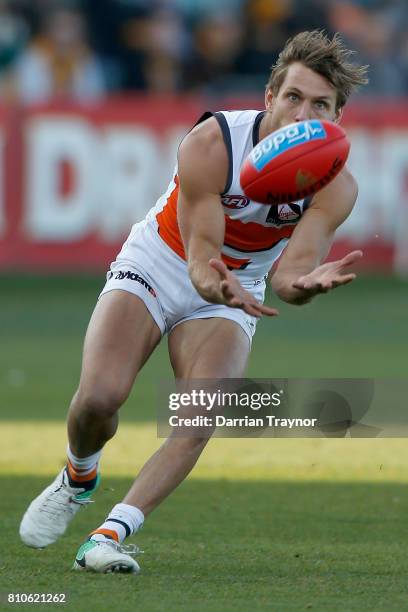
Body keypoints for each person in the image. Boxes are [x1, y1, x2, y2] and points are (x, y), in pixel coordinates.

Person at [19, 30, 368, 574]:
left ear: (336, 119)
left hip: (238, 289)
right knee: (99, 399)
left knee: (199, 415)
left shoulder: (335, 188)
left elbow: (289, 275)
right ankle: (79, 475)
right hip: (162, 261)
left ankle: (109, 535)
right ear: (269, 97)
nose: (303, 112)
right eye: (294, 96)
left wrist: (303, 287)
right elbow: (200, 256)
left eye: (320, 104)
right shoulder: (212, 144)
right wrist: (217, 282)